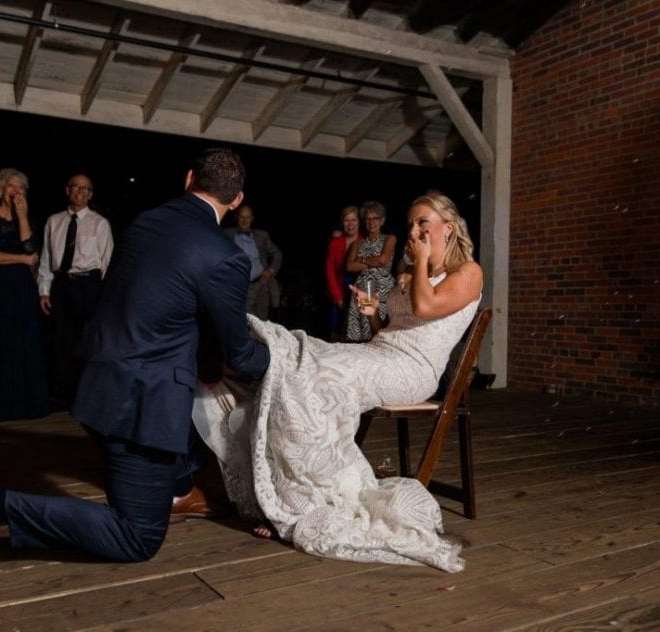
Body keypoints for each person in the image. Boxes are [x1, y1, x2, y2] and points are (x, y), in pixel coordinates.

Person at [0, 148, 270, 580]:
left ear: (189, 178)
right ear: (238, 199)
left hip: (96, 378)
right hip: (139, 405)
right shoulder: (224, 257)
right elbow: (240, 352)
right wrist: (283, 356)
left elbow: (151, 299)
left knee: (188, 417)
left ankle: (179, 488)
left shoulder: (146, 221)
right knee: (136, 537)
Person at [192, 191, 482, 572]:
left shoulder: (468, 273)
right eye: (410, 223)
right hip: (381, 352)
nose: (413, 230)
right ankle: (275, 485)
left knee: (318, 375)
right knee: (305, 356)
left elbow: (426, 309)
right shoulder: (411, 272)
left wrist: (422, 262)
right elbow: (395, 328)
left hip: (412, 370)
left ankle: (307, 502)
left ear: (449, 227)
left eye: (422, 223)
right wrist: (372, 314)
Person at [0, 168, 49, 423]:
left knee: (23, 341)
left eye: (22, 188)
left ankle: (23, 405)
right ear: (0, 189)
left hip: (21, 288)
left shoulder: (27, 219)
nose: (17, 191)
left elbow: (32, 250)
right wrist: (21, 259)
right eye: (12, 186)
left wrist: (23, 217)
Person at [37, 174, 114, 404]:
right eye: (76, 187)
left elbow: (107, 262)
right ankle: (65, 392)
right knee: (62, 340)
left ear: (90, 194)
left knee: (87, 340)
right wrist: (44, 289)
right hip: (63, 284)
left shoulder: (99, 223)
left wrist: (105, 296)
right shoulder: (54, 221)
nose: (79, 192)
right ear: (67, 190)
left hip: (88, 285)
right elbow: (46, 258)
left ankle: (87, 393)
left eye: (85, 189)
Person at [344, 201, 396, 342]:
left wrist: (360, 259)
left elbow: (383, 260)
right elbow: (349, 266)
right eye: (368, 219)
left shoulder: (390, 238)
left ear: (382, 220)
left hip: (382, 290)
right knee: (360, 334)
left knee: (378, 332)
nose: (371, 222)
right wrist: (373, 262)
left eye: (375, 218)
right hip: (361, 289)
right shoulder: (357, 243)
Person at [224, 205, 282, 320]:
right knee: (246, 320)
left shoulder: (262, 236)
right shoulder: (226, 234)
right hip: (240, 286)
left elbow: (277, 254)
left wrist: (270, 271)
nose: (244, 221)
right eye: (241, 217)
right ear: (236, 218)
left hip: (262, 283)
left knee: (262, 321)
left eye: (247, 218)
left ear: (252, 219)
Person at [325, 205, 361, 341]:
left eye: (354, 220)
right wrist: (338, 299)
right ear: (342, 223)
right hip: (339, 292)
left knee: (357, 335)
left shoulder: (365, 241)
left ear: (359, 222)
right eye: (347, 220)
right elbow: (330, 272)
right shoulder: (335, 243)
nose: (350, 224)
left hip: (359, 293)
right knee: (336, 333)